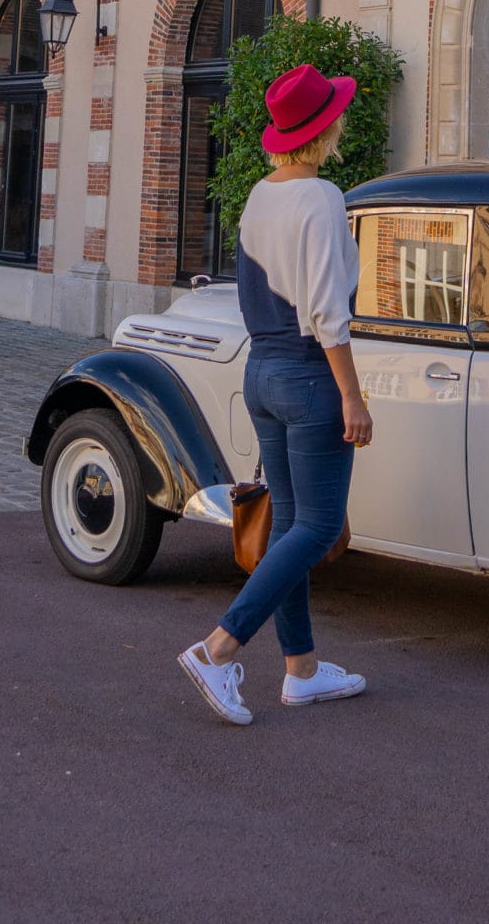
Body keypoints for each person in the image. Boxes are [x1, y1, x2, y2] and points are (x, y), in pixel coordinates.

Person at [180, 61, 373, 725]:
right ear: (325, 129)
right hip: (309, 374)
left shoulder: (260, 195)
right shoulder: (321, 197)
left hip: (261, 368)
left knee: (290, 523)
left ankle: (302, 671)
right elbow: (326, 311)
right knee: (316, 526)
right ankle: (218, 649)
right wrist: (352, 396)